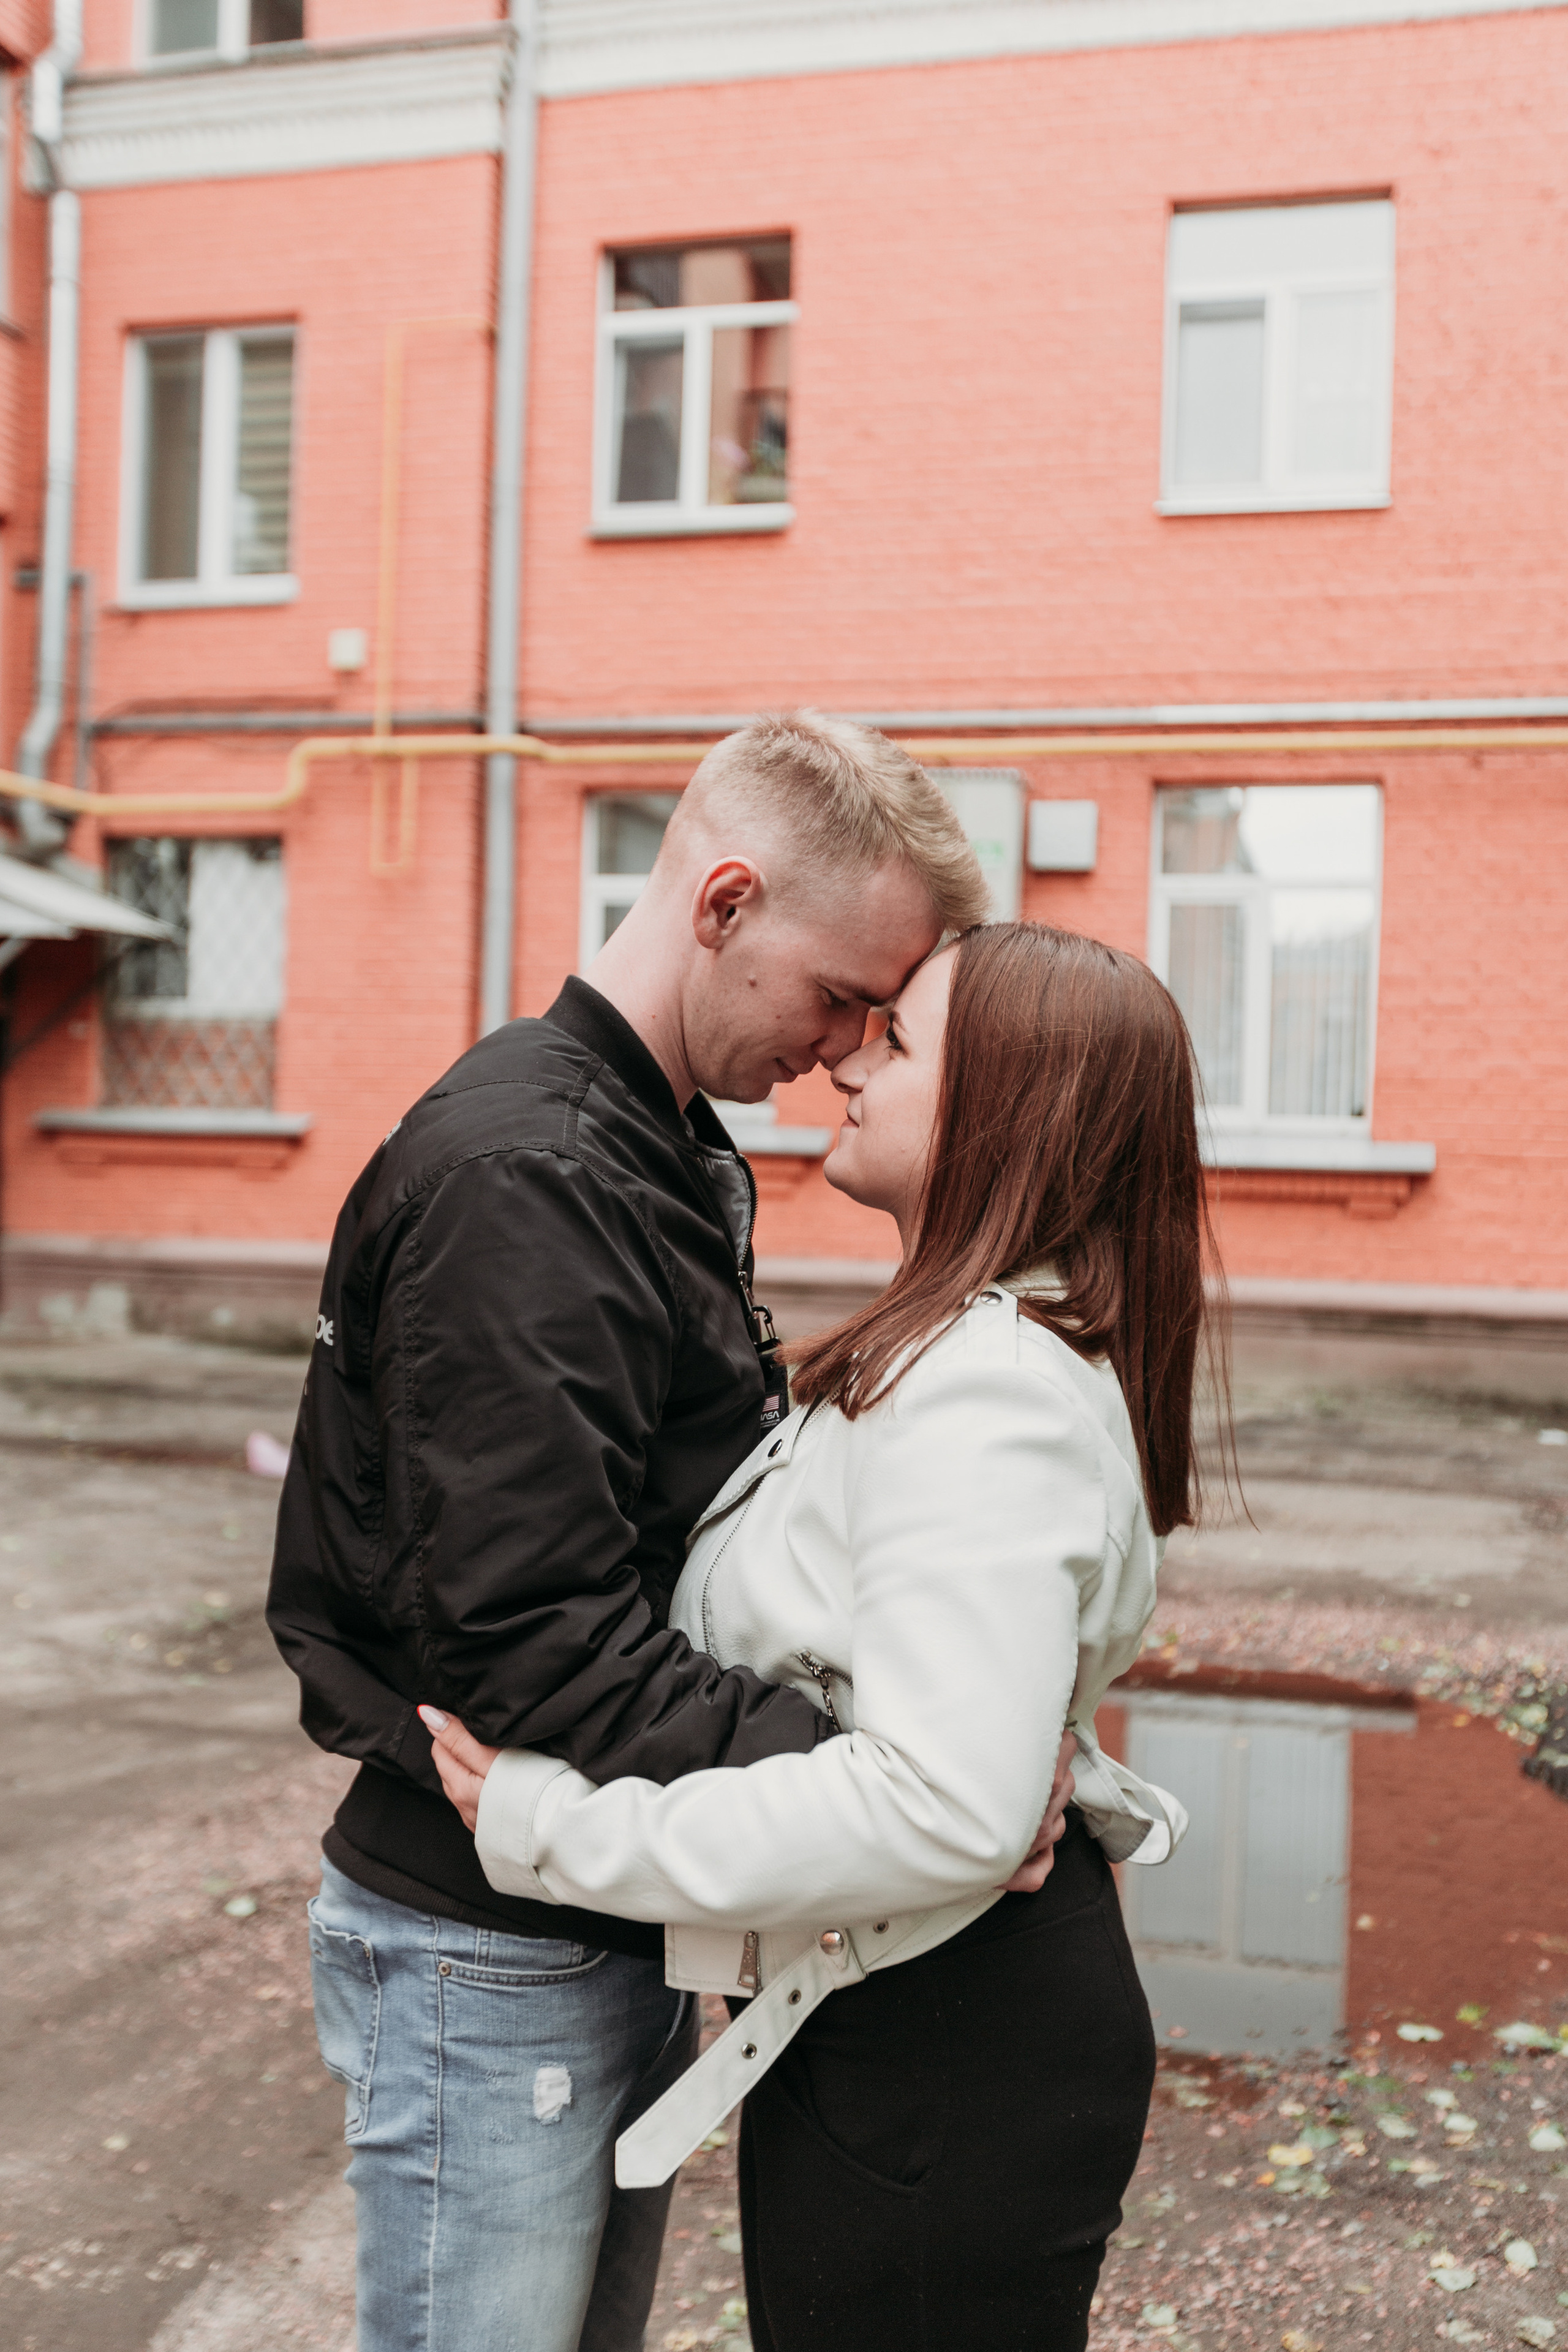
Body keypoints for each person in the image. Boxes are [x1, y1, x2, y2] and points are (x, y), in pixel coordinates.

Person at [266, 714, 1011, 2352]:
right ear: (726, 901)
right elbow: (537, 1646)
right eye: (840, 997)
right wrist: (891, 1770)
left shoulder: (647, 1148)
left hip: (579, 1911)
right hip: (486, 1953)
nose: (841, 1053)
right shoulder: (531, 1173)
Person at [424, 919, 1225, 2352]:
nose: (847, 1056)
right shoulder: (965, 1353)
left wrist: (556, 1825)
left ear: (1003, 1112)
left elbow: (939, 1805)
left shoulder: (986, 1392)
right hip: (908, 2028)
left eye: (897, 1040)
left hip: (945, 2052)